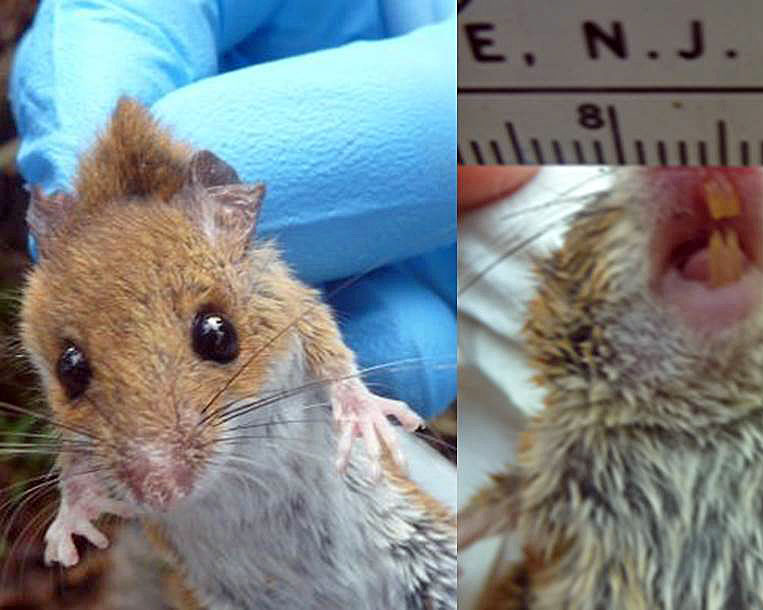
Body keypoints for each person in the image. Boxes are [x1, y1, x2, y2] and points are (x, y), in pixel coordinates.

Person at [10, 0, 456, 418]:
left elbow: (305, 317)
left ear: (230, 211)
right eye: (75, 369)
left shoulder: (222, 243)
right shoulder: (65, 282)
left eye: (214, 338)